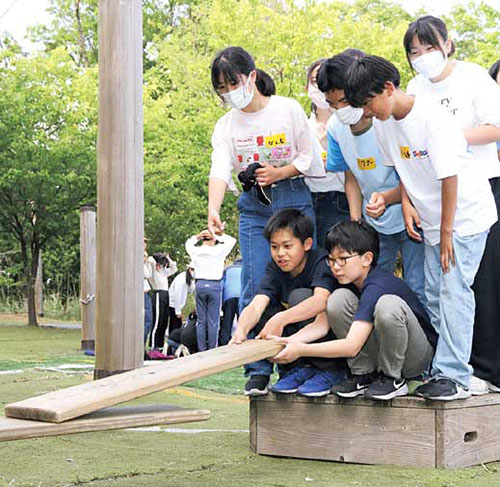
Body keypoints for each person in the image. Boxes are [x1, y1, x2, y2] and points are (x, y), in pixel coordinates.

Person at [344, 55, 497, 400]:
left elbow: (449, 180)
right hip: (433, 218)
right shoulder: (384, 124)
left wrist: (445, 235)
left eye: (368, 103)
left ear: (388, 88)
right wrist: (392, 199)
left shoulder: (432, 119)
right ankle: (449, 365)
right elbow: (406, 172)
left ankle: (455, 376)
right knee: (433, 293)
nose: (367, 112)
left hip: (464, 217)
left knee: (453, 291)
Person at [403, 15, 500, 394]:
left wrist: (448, 137)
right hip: (433, 196)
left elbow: (495, 128)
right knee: (439, 288)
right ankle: (456, 364)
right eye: (415, 51)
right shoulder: (414, 87)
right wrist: (408, 198)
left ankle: (485, 371)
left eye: (430, 47)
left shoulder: (474, 77)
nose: (424, 56)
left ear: (447, 43)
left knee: (478, 284)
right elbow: (408, 148)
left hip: (479, 189)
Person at [207, 46, 324, 317]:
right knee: (256, 284)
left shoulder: (287, 109)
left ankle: (302, 356)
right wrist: (213, 208)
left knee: (304, 284)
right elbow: (220, 167)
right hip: (254, 206)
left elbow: (309, 156)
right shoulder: (226, 125)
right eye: (222, 87)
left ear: (252, 76)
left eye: (233, 83)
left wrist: (280, 173)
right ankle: (256, 359)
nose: (229, 92)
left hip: (293, 199)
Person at [271, 220, 436, 401]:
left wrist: (301, 350)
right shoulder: (347, 281)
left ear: (367, 259)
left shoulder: (378, 284)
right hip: (384, 351)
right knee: (337, 299)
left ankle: (392, 378)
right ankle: (363, 375)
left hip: (414, 358)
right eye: (332, 260)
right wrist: (286, 342)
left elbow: (352, 345)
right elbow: (321, 325)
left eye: (343, 259)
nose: (335, 266)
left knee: (388, 305)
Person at [317, 51, 425, 306]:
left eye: (345, 101)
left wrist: (388, 198)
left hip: (413, 215)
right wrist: (356, 222)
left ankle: (425, 341)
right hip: (376, 223)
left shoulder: (385, 119)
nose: (341, 111)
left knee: (418, 286)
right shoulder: (335, 128)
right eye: (333, 105)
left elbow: (413, 176)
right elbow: (351, 175)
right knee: (375, 286)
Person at [230, 209, 348, 397]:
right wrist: (241, 330)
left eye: (287, 246)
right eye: (274, 247)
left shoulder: (321, 262)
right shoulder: (274, 268)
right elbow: (257, 304)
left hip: (328, 334)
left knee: (299, 297)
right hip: (298, 339)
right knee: (265, 308)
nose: (280, 254)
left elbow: (320, 301)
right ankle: (294, 370)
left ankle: (329, 371)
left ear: (307, 244)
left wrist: (281, 319)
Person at [304, 59, 349, 247]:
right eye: (314, 81)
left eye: (322, 81)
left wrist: (327, 144)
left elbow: (352, 170)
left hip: (337, 199)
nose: (318, 87)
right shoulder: (303, 125)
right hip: (306, 198)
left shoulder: (346, 122)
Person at [186, 230, 236, 351]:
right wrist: (218, 234)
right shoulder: (219, 250)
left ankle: (201, 349)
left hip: (201, 284)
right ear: (213, 239)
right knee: (213, 321)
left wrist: (197, 236)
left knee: (201, 320)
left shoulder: (196, 251)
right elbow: (232, 241)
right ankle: (212, 349)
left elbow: (188, 244)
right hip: (214, 285)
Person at [146, 252, 177, 359]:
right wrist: (156, 261)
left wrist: (167, 257)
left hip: (165, 294)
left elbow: (174, 268)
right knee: (157, 322)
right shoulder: (153, 268)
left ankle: (159, 348)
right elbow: (149, 259)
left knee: (164, 322)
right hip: (158, 293)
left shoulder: (164, 272)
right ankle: (153, 347)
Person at [168, 263, 196, 336]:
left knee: (176, 326)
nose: (194, 272)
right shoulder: (181, 280)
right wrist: (178, 311)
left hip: (178, 305)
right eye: (192, 269)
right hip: (173, 305)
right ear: (188, 269)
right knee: (176, 327)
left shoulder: (188, 279)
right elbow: (177, 295)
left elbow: (191, 290)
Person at [219, 259, 242, 346]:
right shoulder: (245, 270)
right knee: (243, 322)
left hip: (228, 297)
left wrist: (221, 304)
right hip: (241, 296)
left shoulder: (228, 269)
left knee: (227, 322)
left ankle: (224, 343)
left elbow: (222, 285)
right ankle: (243, 341)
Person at [143, 239, 153, 349]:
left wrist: (146, 262)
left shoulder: (144, 260)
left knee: (147, 322)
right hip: (142, 294)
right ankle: (140, 346)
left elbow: (149, 274)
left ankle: (142, 346)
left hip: (146, 292)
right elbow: (146, 274)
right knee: (146, 321)